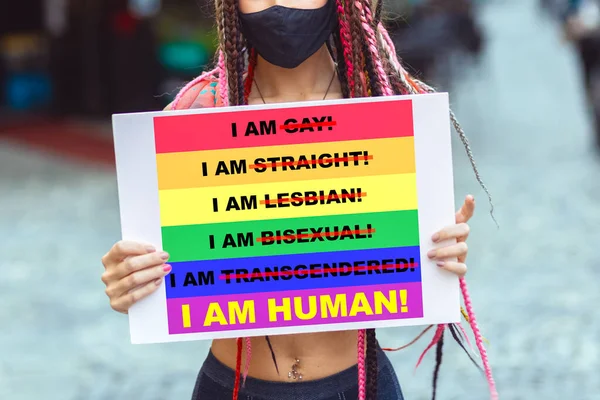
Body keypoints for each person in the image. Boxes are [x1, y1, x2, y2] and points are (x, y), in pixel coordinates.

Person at [100, 0, 497, 399]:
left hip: (358, 384)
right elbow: (164, 264)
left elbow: (412, 250)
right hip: (232, 386)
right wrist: (131, 279)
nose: (278, 4)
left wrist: (441, 249)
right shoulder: (198, 112)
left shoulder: (382, 103)